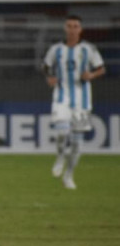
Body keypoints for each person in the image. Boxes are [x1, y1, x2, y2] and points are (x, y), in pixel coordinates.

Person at [43, 14, 105, 190]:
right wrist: (49, 77)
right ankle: (61, 156)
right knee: (62, 132)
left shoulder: (89, 49)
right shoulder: (56, 49)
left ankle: (69, 175)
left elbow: (101, 68)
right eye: (69, 26)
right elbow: (45, 66)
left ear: (80, 29)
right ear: (65, 28)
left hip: (82, 100)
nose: (72, 29)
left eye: (75, 26)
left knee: (77, 142)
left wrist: (91, 75)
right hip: (61, 96)